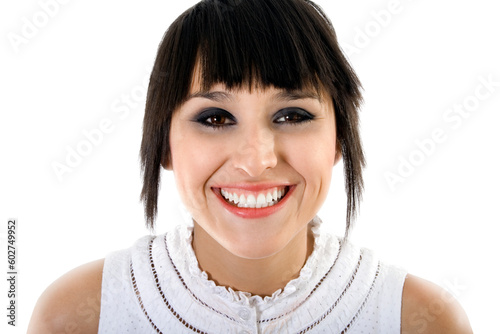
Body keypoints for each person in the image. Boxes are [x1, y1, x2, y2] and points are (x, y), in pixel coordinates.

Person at [28, 0, 473, 333]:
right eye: (215, 118)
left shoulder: (421, 319)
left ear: (339, 138)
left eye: (293, 116)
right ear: (163, 142)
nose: (257, 161)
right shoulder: (77, 315)